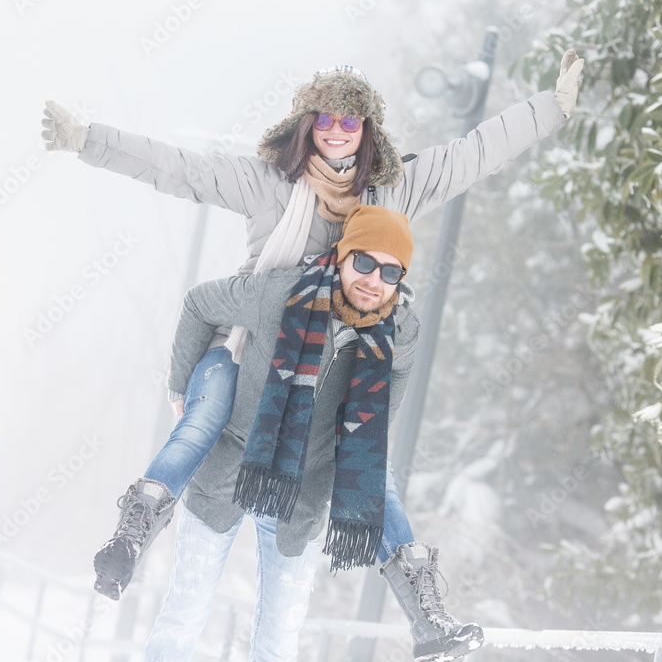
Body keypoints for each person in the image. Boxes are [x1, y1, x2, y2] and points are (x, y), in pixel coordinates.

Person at [41, 49, 582, 654]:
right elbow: (178, 169)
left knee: (367, 483)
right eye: (323, 119)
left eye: (350, 122)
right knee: (203, 439)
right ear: (305, 125)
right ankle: (140, 518)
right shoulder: (270, 184)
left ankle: (423, 609)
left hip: (334, 385)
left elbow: (473, 153)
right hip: (251, 345)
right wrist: (86, 139)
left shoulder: (394, 190)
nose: (335, 132)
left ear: (367, 130)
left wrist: (551, 109)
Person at [146, 205, 475, 661]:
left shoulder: (400, 332)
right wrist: (180, 386)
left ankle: (426, 613)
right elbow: (199, 303)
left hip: (304, 494)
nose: (373, 279)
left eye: (390, 271)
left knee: (279, 641)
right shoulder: (279, 294)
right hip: (232, 467)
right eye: (363, 261)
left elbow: (391, 390)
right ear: (341, 255)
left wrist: (364, 443)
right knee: (184, 615)